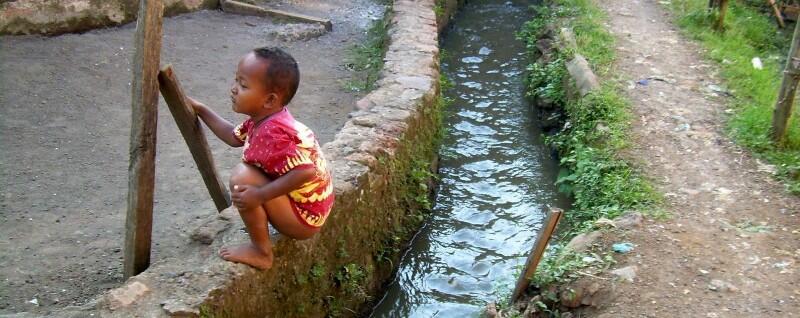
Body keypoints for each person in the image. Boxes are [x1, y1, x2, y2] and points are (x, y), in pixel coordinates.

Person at [188, 47, 334, 270]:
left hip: (304, 219)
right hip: (308, 209)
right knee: (248, 177)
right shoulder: (265, 119)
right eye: (236, 80)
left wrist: (260, 195)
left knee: (242, 178)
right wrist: (201, 109)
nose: (234, 89)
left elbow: (306, 172)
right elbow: (233, 137)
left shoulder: (272, 133)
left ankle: (261, 252)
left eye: (243, 85)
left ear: (269, 100)